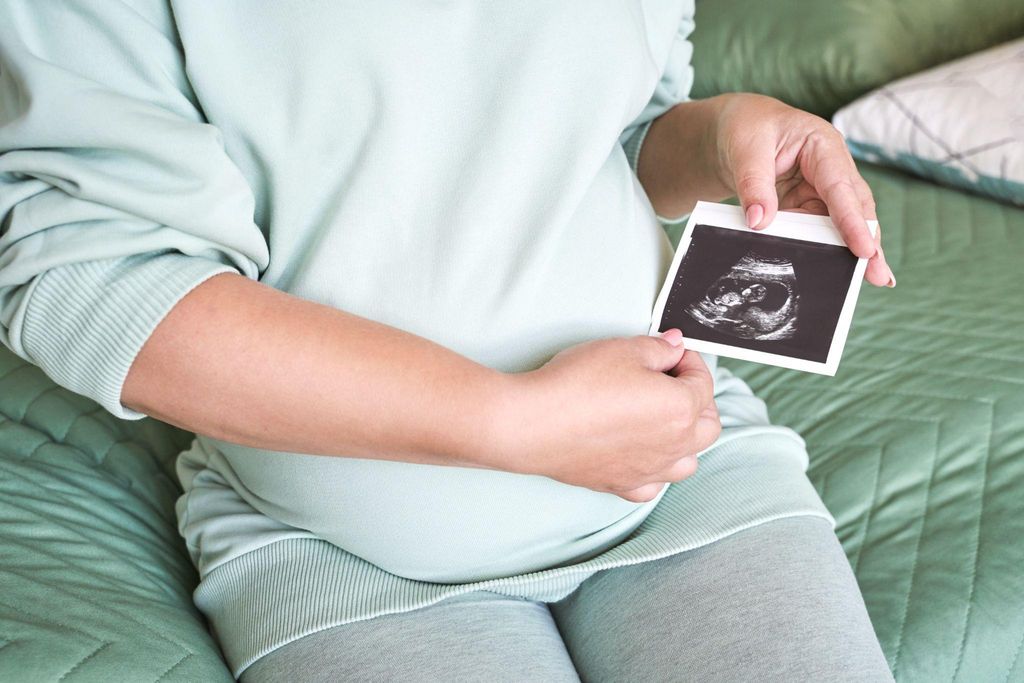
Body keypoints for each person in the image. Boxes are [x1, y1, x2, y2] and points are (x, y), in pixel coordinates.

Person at [0, 1, 897, 681]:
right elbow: (99, 280)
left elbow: (616, 132)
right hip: (339, 548)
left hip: (686, 465)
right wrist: (511, 424)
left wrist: (720, 137)